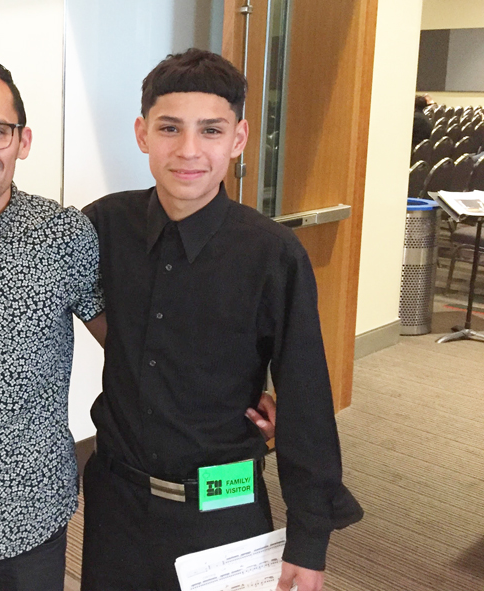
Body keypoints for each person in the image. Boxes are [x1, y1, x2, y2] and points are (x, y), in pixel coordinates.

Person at [0, 56, 276, 591]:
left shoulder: (65, 235)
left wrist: (242, 392)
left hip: (35, 515)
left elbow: (136, 341)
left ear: (24, 140)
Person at [79, 48, 362, 591]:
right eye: (169, 128)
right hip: (117, 500)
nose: (188, 150)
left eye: (211, 131)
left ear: (238, 138)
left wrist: (309, 541)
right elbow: (16, 247)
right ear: (142, 133)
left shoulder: (271, 253)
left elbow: (306, 396)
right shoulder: (104, 224)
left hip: (224, 506)